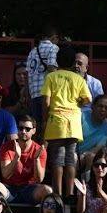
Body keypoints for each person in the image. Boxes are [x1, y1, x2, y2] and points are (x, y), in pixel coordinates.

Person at [41, 45, 92, 198]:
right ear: (72, 62)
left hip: (56, 121)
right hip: (74, 123)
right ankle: (70, 193)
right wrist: (77, 104)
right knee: (70, 159)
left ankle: (57, 193)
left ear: (57, 60)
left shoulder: (51, 77)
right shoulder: (79, 79)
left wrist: (45, 120)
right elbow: (88, 99)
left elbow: (46, 101)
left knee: (57, 159)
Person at [0, 115, 52, 205]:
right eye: (20, 128)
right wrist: (16, 158)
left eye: (27, 129)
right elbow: (6, 175)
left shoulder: (39, 150)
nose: (23, 131)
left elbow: (39, 179)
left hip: (29, 189)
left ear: (34, 131)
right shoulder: (6, 147)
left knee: (47, 191)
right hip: (9, 188)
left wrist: (36, 159)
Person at [23, 27, 58, 131]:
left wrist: (28, 95)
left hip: (34, 95)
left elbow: (27, 74)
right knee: (47, 125)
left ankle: (36, 146)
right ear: (54, 37)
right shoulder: (53, 48)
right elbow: (52, 68)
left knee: (35, 126)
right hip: (47, 95)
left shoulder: (32, 51)